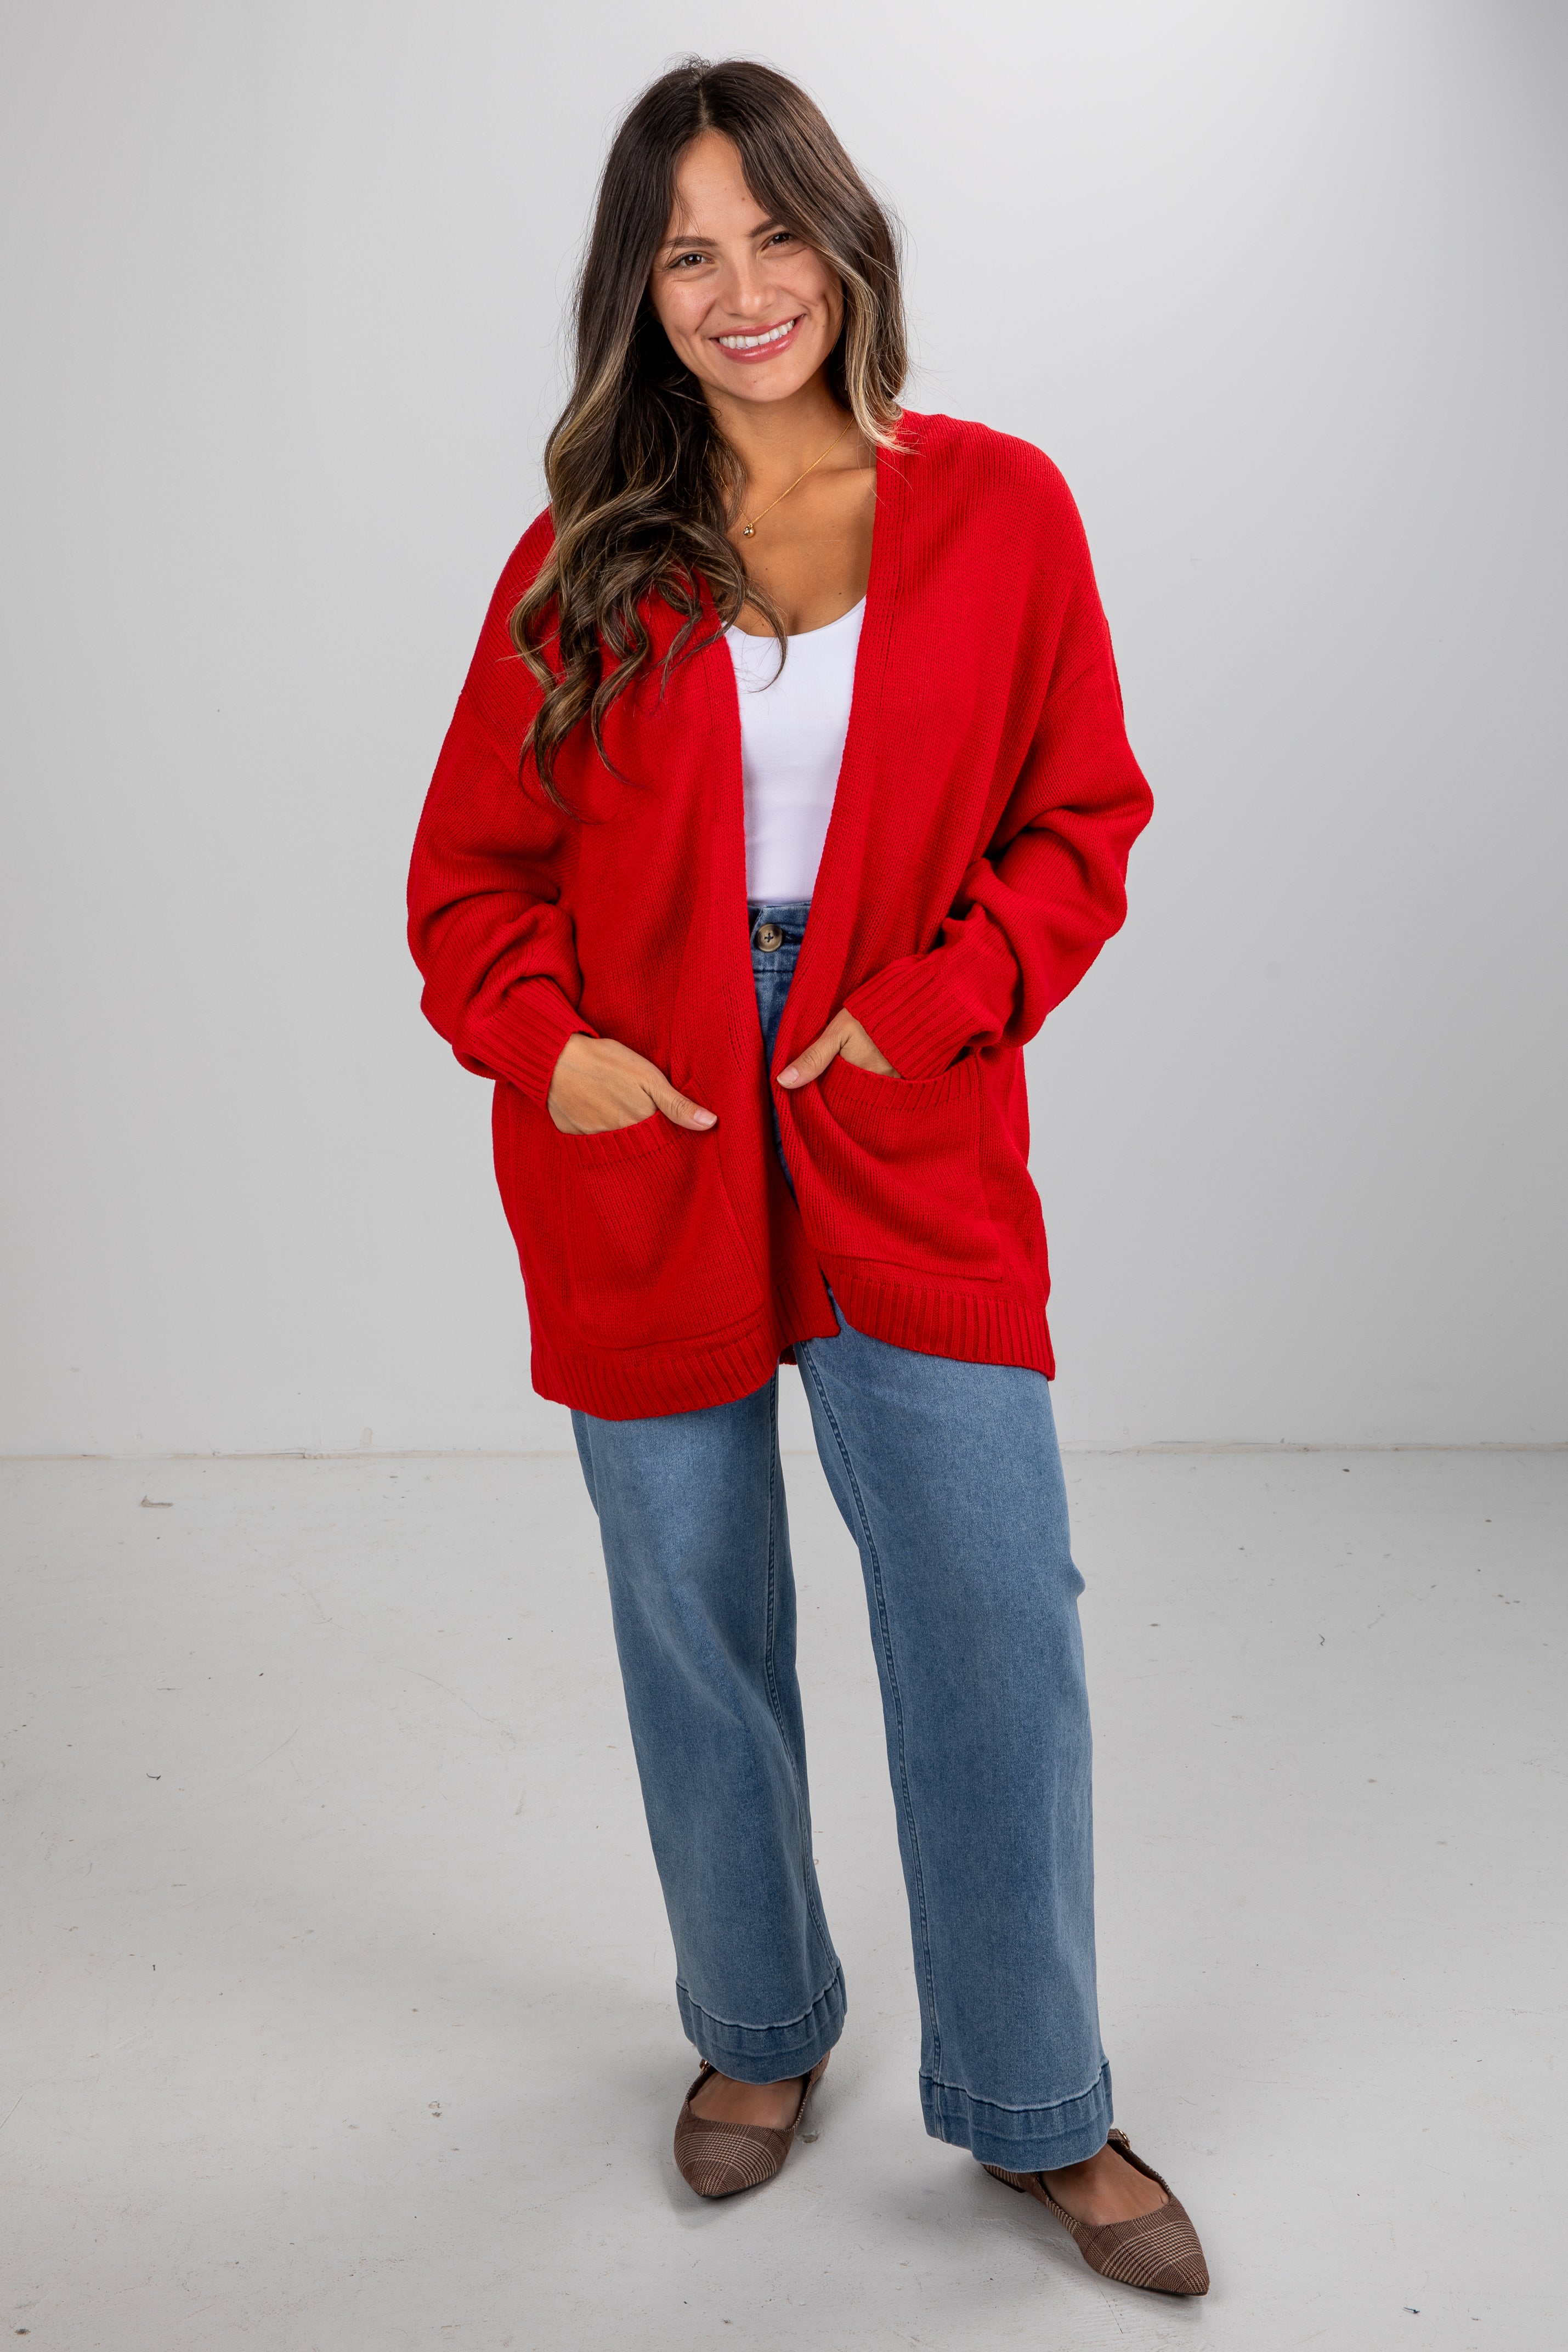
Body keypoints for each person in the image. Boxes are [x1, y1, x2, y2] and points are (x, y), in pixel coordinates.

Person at [407, 56, 1208, 2299]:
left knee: (985, 1599)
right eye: (688, 250)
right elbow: (468, 876)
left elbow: (1084, 826)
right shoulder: (581, 559)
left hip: (897, 1093)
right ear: (637, 294)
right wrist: (545, 1045)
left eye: (774, 233)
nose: (742, 287)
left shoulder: (1001, 509)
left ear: (847, 246)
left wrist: (938, 999)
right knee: (690, 1595)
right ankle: (756, 2028)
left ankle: (1039, 2101)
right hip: (640, 1112)